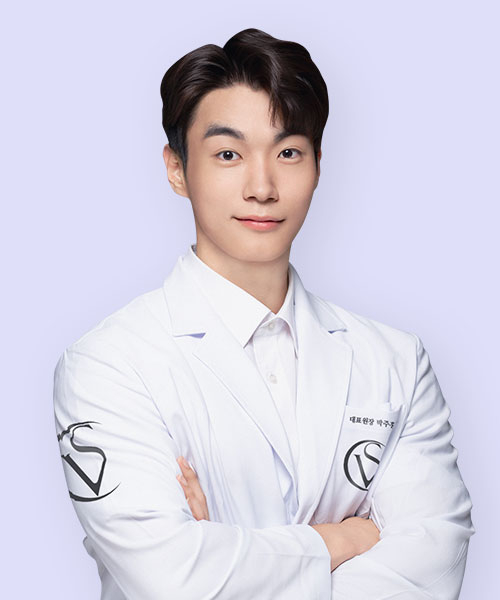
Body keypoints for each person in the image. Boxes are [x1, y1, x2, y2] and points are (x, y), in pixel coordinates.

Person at [53, 27, 474, 599]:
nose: (262, 186)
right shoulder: (108, 364)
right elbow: (170, 577)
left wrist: (228, 550)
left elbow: (435, 565)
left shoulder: (396, 362)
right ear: (177, 169)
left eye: (288, 153)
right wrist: (339, 539)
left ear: (318, 165)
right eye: (228, 154)